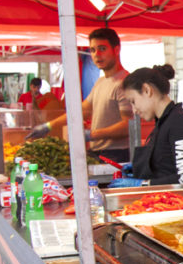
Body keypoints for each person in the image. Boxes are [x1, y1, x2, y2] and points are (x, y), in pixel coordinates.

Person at [26, 27, 132, 164]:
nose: (97, 54)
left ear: (116, 50)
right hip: (97, 153)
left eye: (102, 49)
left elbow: (129, 125)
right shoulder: (101, 82)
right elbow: (82, 112)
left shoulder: (125, 83)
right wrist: (49, 126)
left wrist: (91, 134)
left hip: (117, 155)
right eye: (93, 50)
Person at [109, 64, 183, 188]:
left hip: (176, 203)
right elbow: (164, 165)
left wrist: (143, 184)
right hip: (158, 202)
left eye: (133, 101)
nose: (134, 110)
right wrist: (138, 169)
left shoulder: (178, 121)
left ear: (147, 90)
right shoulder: (162, 122)